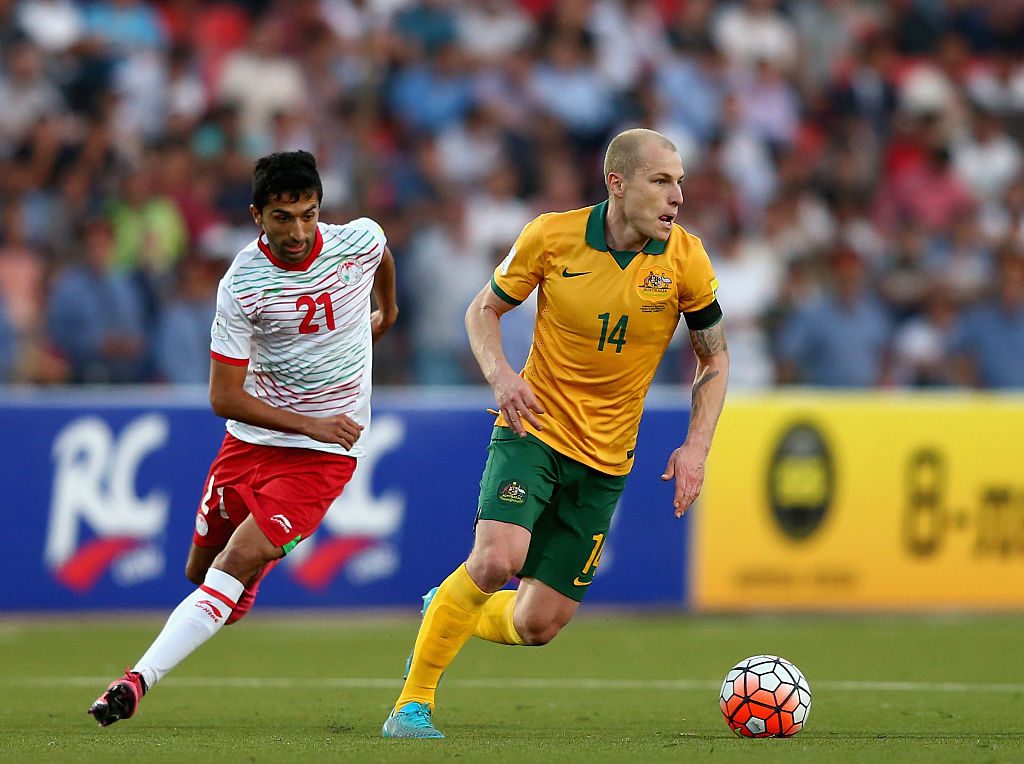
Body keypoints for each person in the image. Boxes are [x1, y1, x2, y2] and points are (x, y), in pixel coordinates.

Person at [382, 127, 729, 739]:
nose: (677, 196)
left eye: (680, 183)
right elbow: (481, 310)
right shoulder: (551, 236)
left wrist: (696, 445)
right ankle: (413, 704)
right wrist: (502, 378)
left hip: (607, 460)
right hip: (534, 429)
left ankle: (448, 606)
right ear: (616, 184)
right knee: (497, 560)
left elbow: (715, 358)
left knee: (539, 624)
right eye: (661, 181)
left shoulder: (687, 259)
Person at [87, 149, 398, 726]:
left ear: (319, 209)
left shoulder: (358, 239)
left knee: (236, 559)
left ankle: (134, 680)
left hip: (327, 453)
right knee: (200, 575)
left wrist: (389, 310)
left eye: (308, 214)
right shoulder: (242, 284)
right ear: (258, 215)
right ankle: (239, 581)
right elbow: (222, 396)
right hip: (252, 440)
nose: (299, 230)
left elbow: (382, 255)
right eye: (284, 218)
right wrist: (310, 420)